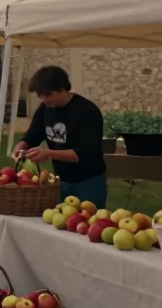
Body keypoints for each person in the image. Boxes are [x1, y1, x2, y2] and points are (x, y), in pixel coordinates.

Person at [14, 66, 107, 208]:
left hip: (88, 181)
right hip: (60, 180)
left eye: (48, 95)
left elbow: (86, 153)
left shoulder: (87, 111)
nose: (44, 100)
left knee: (88, 219)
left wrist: (48, 153)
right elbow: (32, 136)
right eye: (40, 95)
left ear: (63, 89)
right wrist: (21, 146)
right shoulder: (45, 108)